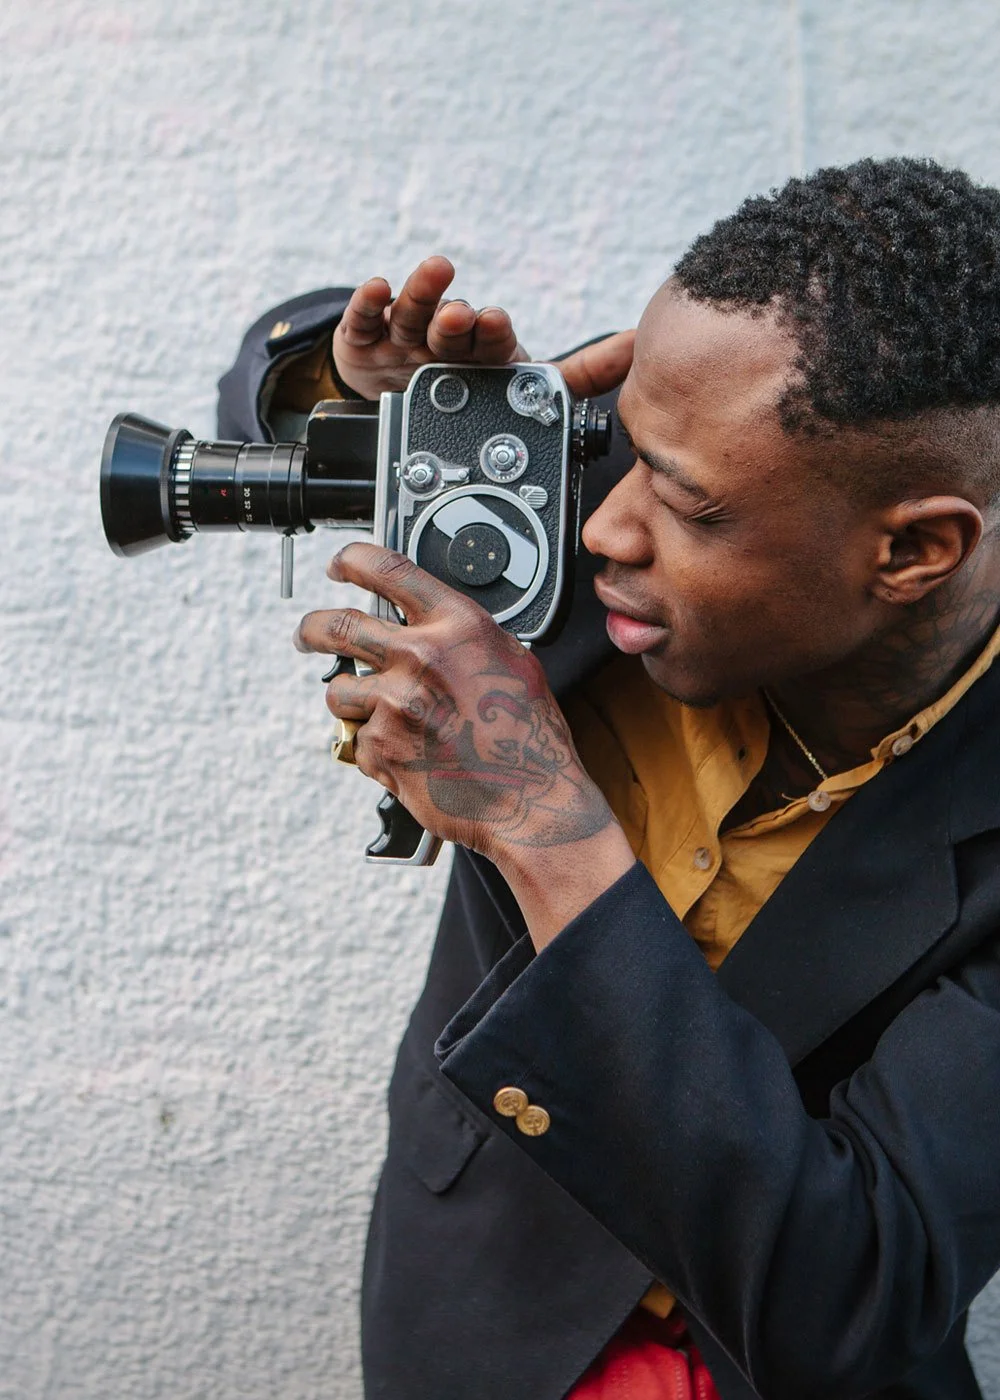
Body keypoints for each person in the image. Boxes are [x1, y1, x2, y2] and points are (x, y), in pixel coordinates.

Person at [218, 157, 1000, 1399]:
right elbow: (261, 409)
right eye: (616, 448)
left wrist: (543, 823)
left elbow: (854, 1302)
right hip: (476, 1311)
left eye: (686, 506)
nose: (602, 525)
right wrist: (368, 396)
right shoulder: (639, 475)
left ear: (911, 550)